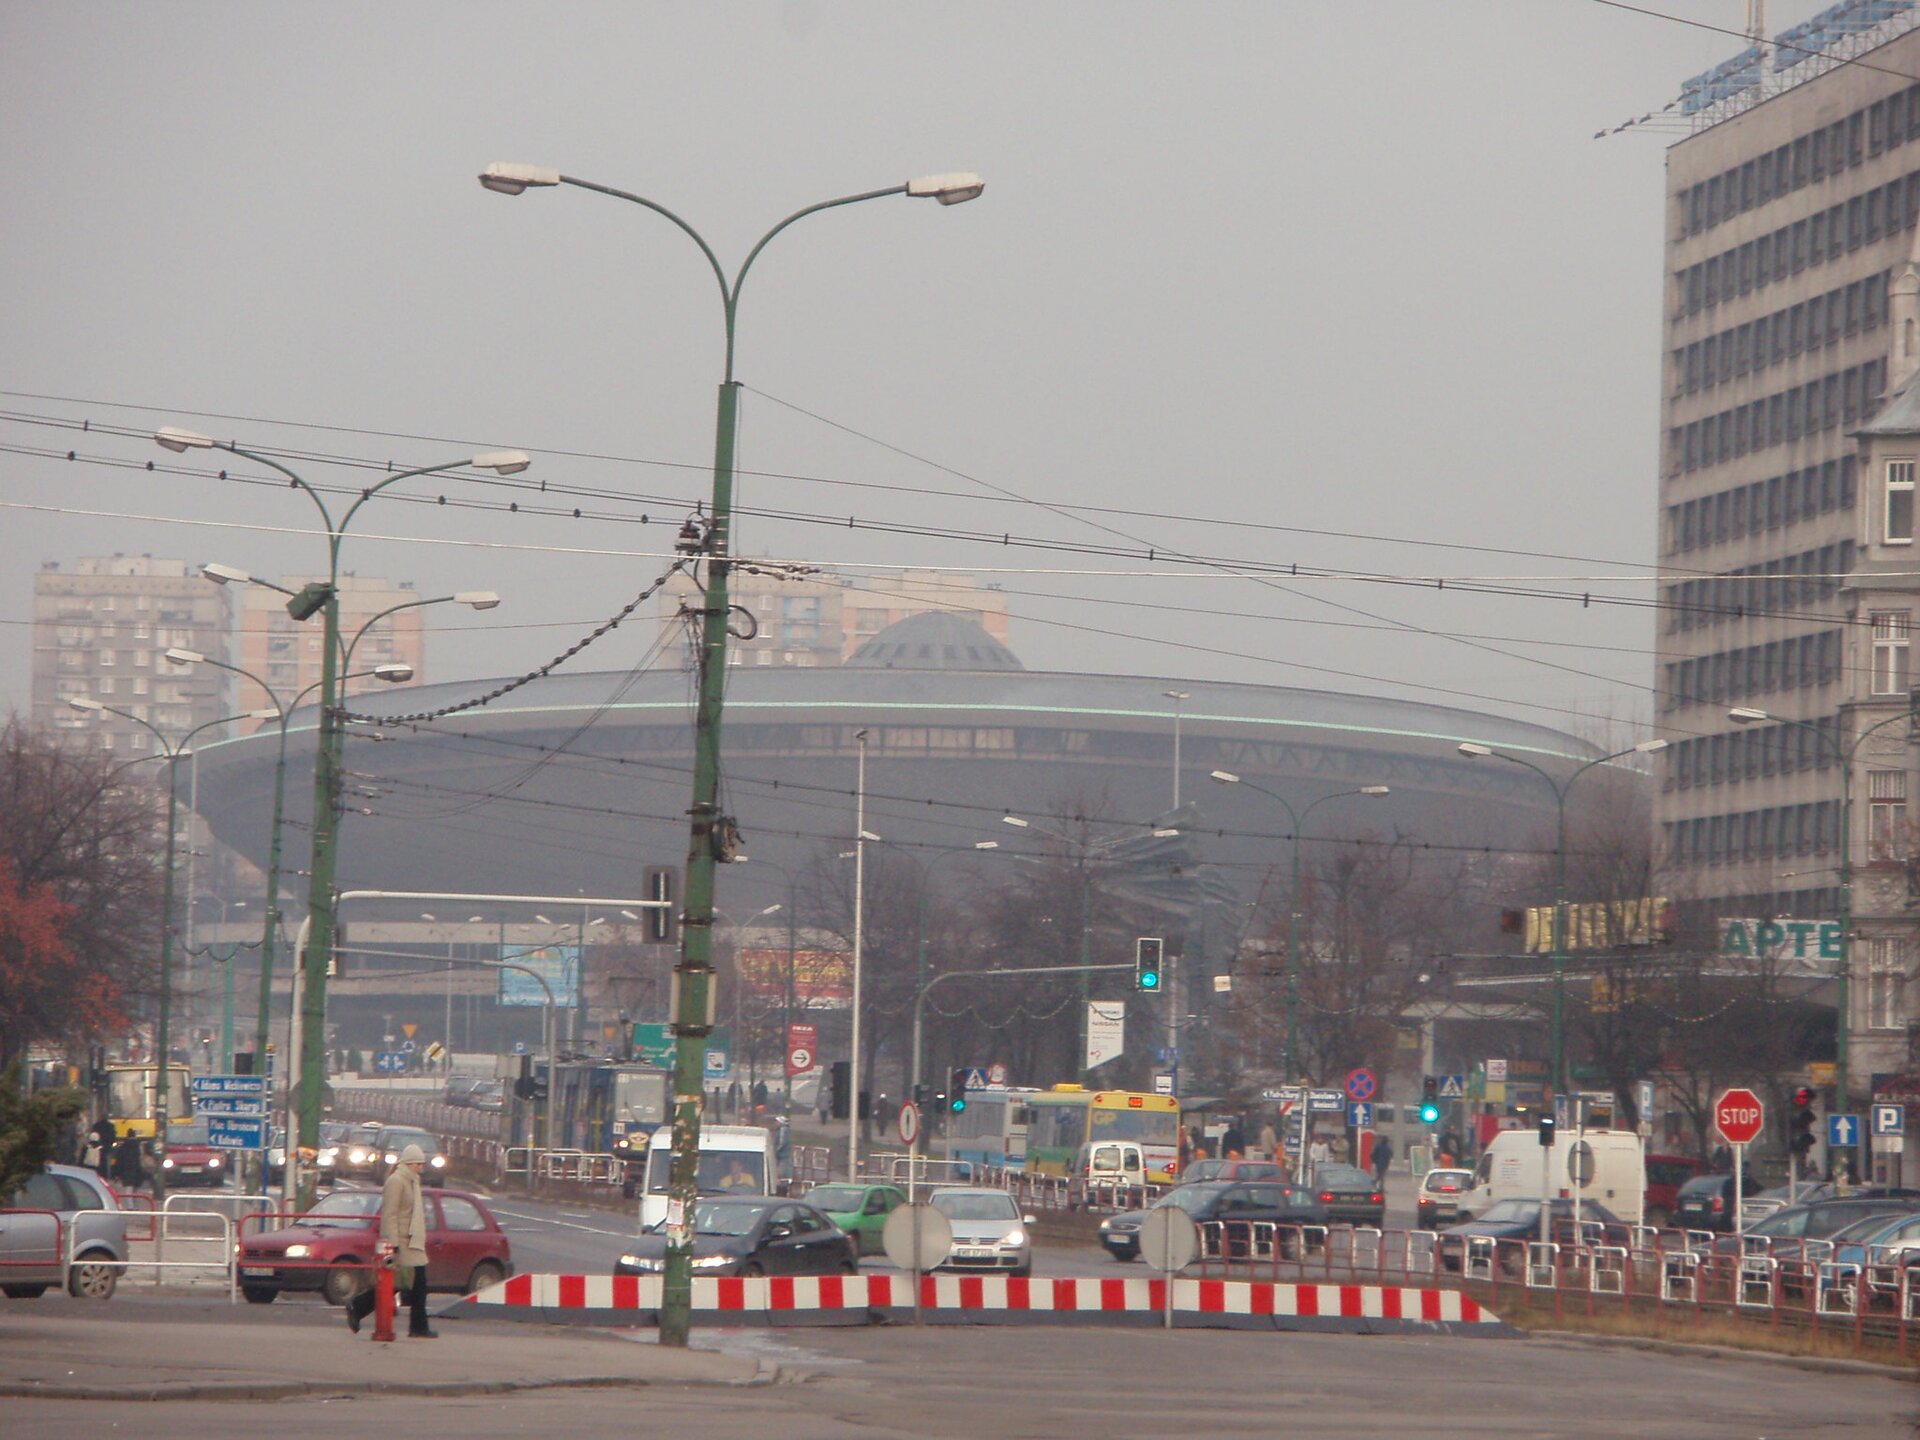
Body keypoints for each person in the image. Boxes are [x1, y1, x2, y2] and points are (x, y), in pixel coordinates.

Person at [347, 1143, 433, 1339]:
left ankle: (359, 1307)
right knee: (404, 1283)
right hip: (402, 1240)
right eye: (418, 1164)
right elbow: (390, 1214)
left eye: (422, 1164)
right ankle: (417, 1326)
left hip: (413, 1240)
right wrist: (393, 1243)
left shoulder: (413, 1180)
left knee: (409, 1283)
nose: (421, 1168)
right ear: (409, 1163)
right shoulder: (397, 1181)